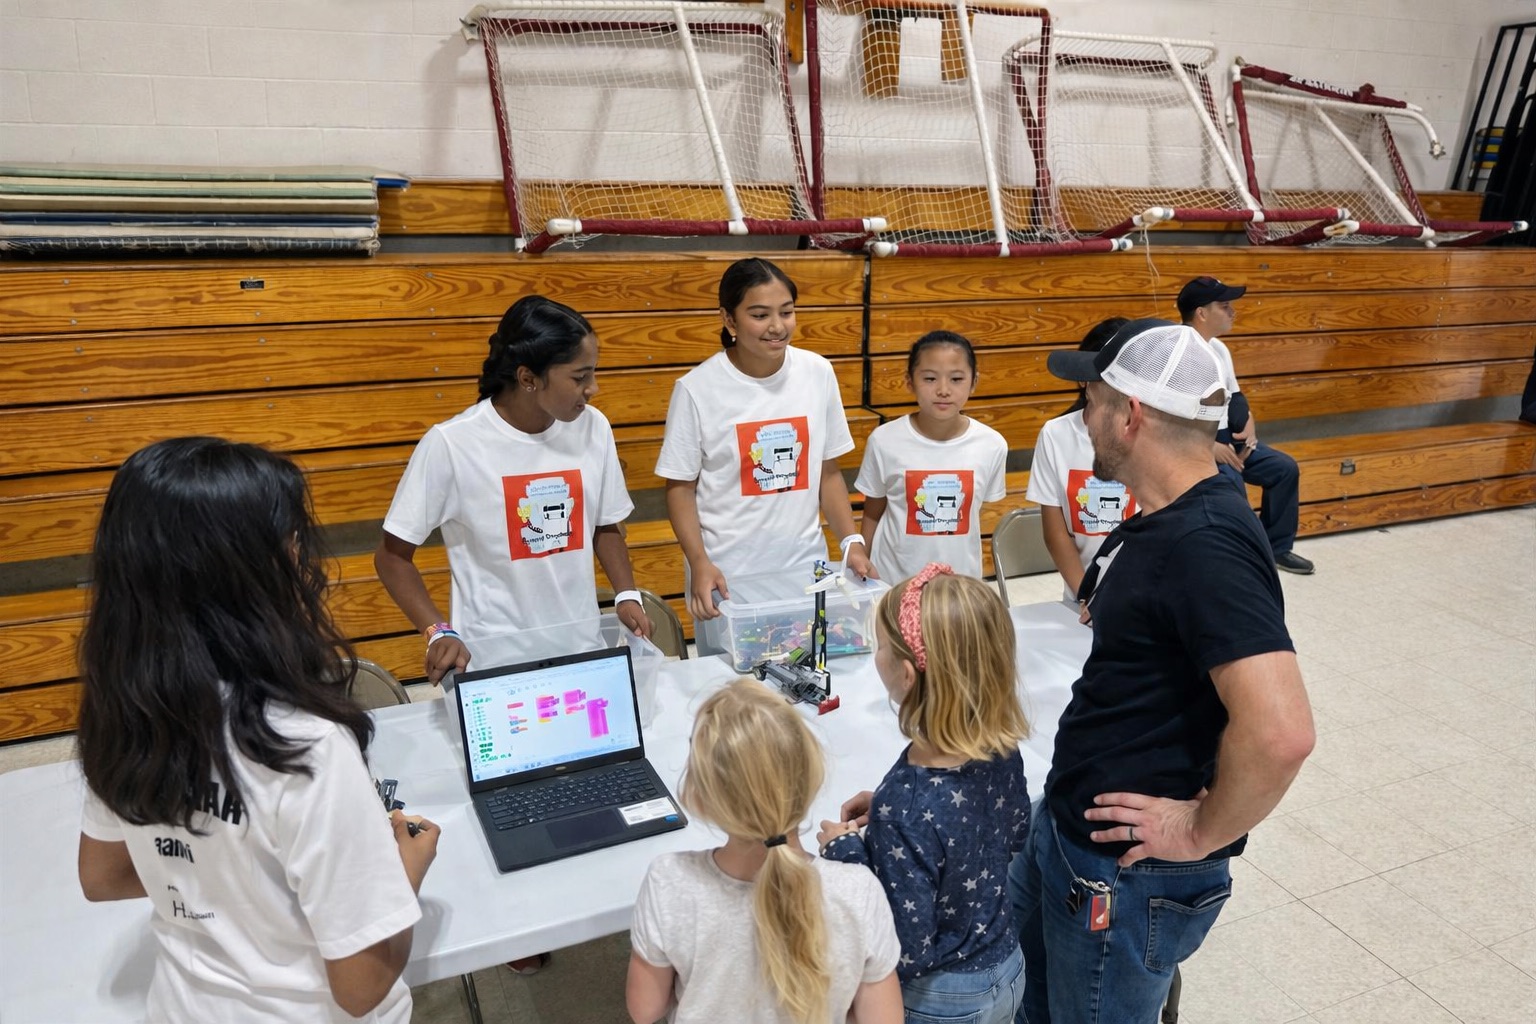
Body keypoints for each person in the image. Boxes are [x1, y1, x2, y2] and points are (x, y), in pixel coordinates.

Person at [1011, 320, 1315, 1024]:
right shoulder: (1170, 511)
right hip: (1071, 827)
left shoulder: (1203, 544)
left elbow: (1282, 733)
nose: (1082, 417)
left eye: (1090, 399)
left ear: (1131, 415)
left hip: (1122, 874)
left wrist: (1200, 831)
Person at [75, 437, 439, 1022]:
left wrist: (229, 883)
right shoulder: (306, 745)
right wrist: (405, 871)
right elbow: (361, 985)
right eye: (293, 540)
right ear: (253, 570)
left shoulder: (124, 708)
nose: (305, 558)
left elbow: (105, 874)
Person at [376, 293, 653, 687]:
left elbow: (605, 525)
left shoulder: (594, 428)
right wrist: (436, 630)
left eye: (593, 373)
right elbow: (392, 556)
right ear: (528, 378)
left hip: (582, 649)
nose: (593, 388)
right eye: (579, 377)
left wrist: (627, 593)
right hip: (492, 664)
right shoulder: (452, 444)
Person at [818, 566, 1031, 1024]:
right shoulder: (1000, 747)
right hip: (1008, 969)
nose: (874, 657)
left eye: (878, 647)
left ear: (909, 675)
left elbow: (905, 947)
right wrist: (891, 811)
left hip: (940, 999)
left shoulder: (906, 807)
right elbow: (1013, 833)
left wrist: (847, 851)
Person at [626, 680, 904, 1024]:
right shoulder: (858, 892)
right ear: (811, 781)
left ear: (700, 796)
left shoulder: (668, 882)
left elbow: (644, 1010)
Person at [656, 257, 875, 648]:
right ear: (729, 319)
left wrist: (850, 542)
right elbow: (680, 488)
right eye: (760, 314)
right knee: (740, 690)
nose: (777, 326)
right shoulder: (696, 388)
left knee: (809, 675)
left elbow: (826, 472)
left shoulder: (817, 372)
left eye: (786, 312)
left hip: (802, 566)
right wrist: (699, 562)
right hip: (728, 575)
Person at [1177, 276, 1315, 574]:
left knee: (1283, 469)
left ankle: (1277, 548)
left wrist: (1249, 426)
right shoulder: (1179, 354)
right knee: (1231, 486)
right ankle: (1240, 559)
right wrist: (1209, 447)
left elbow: (1235, 397)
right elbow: (1168, 416)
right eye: (1224, 306)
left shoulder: (1219, 349)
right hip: (1197, 444)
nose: (1233, 312)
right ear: (1201, 313)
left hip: (1231, 440)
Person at [855, 331, 1008, 580]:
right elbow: (873, 511)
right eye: (930, 378)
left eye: (957, 379)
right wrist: (865, 567)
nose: (943, 390)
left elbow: (974, 513)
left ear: (974, 382)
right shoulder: (884, 441)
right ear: (909, 381)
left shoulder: (992, 445)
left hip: (959, 585)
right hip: (894, 582)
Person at [1026, 317, 1137, 606]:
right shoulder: (1055, 434)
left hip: (1142, 596)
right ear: (1084, 381)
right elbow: (1056, 534)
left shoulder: (1150, 434)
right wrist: (1085, 595)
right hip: (1081, 600)